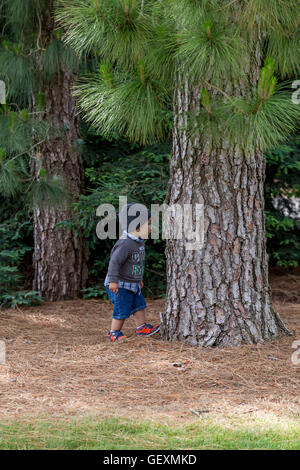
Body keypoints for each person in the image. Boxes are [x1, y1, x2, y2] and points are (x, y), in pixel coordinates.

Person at [104, 202, 160, 342]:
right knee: (122, 307)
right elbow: (114, 262)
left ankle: (142, 327)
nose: (150, 228)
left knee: (139, 304)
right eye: (148, 224)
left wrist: (138, 278)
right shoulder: (125, 243)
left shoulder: (138, 242)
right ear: (137, 225)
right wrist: (113, 281)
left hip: (132, 283)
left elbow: (136, 264)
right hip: (120, 284)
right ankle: (114, 332)